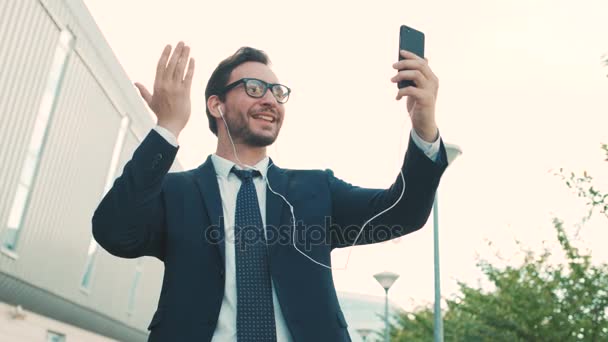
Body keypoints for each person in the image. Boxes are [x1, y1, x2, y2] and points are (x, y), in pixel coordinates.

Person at [92, 41, 448, 342]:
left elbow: (403, 212)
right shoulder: (175, 192)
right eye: (254, 88)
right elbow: (114, 233)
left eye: (278, 92)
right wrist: (167, 128)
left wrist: (424, 125)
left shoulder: (315, 190)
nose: (271, 100)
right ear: (216, 105)